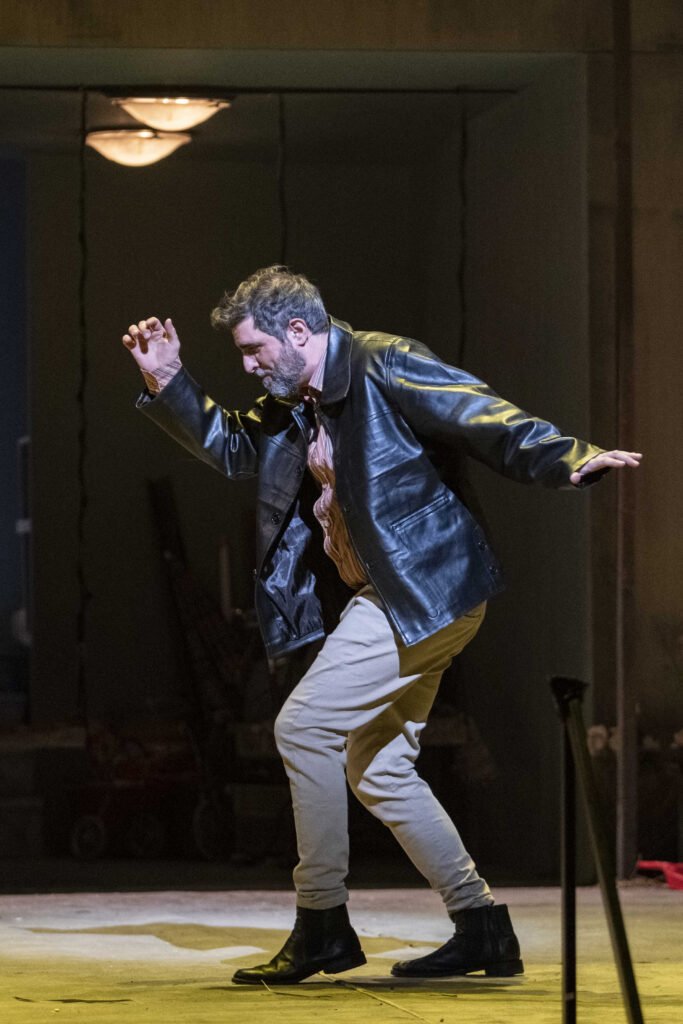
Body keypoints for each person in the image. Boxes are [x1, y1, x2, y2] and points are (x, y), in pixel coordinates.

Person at [122, 265, 641, 985]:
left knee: (302, 727)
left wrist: (567, 457)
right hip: (400, 595)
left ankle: (322, 923)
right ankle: (481, 926)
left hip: (419, 589)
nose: (248, 366)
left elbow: (478, 412)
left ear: (297, 330)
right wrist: (168, 379)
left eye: (253, 350)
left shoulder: (382, 361)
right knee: (380, 767)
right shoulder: (297, 401)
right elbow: (237, 449)